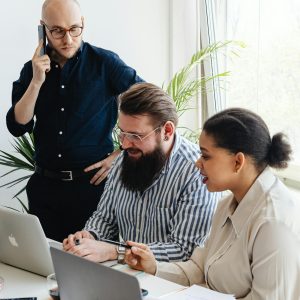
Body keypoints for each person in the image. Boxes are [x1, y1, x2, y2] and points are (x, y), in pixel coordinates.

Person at [125, 108, 300, 300]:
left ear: (238, 162)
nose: (197, 163)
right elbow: (199, 269)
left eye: (206, 156)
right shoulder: (227, 204)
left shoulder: (272, 222)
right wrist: (154, 266)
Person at [6, 0, 143, 241]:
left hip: (92, 189)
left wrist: (121, 154)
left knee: (93, 270)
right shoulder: (31, 70)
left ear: (83, 24)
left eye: (74, 29)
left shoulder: (105, 63)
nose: (67, 39)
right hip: (45, 189)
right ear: (43, 29)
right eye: (57, 31)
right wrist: (37, 81)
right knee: (47, 270)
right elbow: (18, 125)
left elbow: (149, 102)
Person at [63, 82, 219, 263]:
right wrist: (89, 237)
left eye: (135, 136)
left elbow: (185, 250)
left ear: (167, 131)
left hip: (172, 282)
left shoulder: (196, 171)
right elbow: (104, 218)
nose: (125, 144)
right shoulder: (124, 159)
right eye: (122, 133)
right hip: (129, 274)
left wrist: (117, 252)